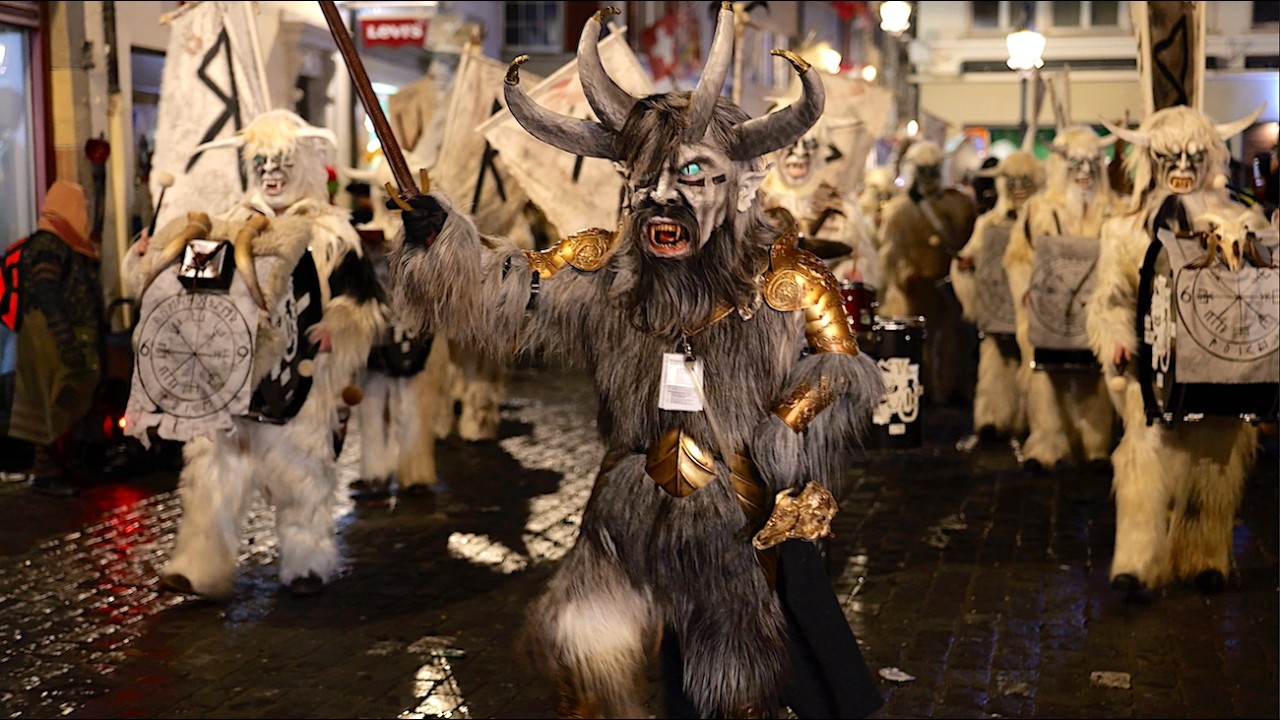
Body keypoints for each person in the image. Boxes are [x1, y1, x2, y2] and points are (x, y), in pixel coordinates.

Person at [387, 7, 885, 718]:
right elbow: (505, 289)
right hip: (627, 502)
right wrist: (440, 237)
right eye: (645, 177)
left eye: (693, 174)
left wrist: (782, 426)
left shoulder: (786, 279)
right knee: (584, 663)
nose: (661, 198)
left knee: (732, 678)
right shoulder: (608, 271)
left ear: (740, 185)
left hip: (739, 506)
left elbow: (841, 366)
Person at [122, 110, 383, 598]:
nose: (272, 174)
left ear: (303, 165)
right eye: (262, 163)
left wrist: (338, 327)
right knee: (214, 470)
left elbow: (365, 302)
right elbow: (191, 289)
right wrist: (143, 263)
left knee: (303, 472)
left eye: (282, 163)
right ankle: (200, 566)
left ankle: (306, 563)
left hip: (303, 383)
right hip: (232, 381)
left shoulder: (332, 233)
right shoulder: (228, 224)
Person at [1088, 104, 1266, 602]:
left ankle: (1204, 555)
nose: (1182, 168)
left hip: (1221, 368)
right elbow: (1109, 300)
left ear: (1210, 159)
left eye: (1192, 157)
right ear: (1152, 161)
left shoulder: (1241, 221)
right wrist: (1116, 340)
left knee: (1214, 460)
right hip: (1151, 369)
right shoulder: (1123, 229)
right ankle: (1137, 561)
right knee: (1142, 460)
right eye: (1170, 158)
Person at [1004, 126, 1124, 473]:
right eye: (1076, 163)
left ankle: (1094, 442)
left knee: (1096, 374)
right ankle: (1046, 440)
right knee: (1043, 374)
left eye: (1091, 163)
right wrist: (1026, 291)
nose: (1085, 172)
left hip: (1096, 309)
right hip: (1049, 309)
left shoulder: (1114, 210)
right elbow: (1018, 257)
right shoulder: (1039, 209)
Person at [6, 180, 103, 498]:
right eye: (80, 204)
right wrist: (65, 338)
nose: (84, 210)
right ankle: (46, 473)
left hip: (60, 334)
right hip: (49, 337)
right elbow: (46, 290)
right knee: (50, 402)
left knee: (63, 400)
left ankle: (60, 466)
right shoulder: (49, 243)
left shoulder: (65, 242)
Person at [950, 151, 1042, 448]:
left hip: (1032, 313)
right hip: (997, 312)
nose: (1019, 188)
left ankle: (1032, 424)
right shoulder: (988, 223)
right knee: (994, 365)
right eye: (1012, 181)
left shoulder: (1044, 221)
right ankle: (992, 420)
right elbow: (970, 255)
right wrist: (965, 267)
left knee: (1032, 367)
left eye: (1025, 181)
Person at [877, 140, 978, 405]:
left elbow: (968, 240)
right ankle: (924, 392)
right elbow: (891, 251)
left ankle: (950, 391)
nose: (928, 178)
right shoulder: (899, 211)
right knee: (920, 341)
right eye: (923, 171)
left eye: (932, 171)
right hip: (915, 287)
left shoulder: (959, 204)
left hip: (949, 284)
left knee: (952, 341)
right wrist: (905, 273)